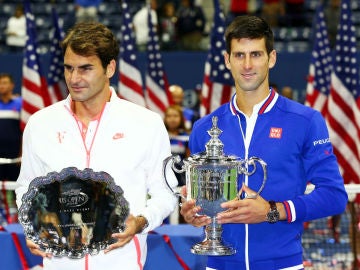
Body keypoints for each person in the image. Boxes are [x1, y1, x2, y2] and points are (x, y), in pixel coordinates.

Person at [179, 15, 348, 269]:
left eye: (256, 54)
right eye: (239, 55)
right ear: (227, 60)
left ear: (272, 58)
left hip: (282, 264)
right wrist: (193, 213)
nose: (247, 65)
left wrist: (272, 210)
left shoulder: (305, 121)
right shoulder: (205, 128)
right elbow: (197, 201)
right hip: (219, 263)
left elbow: (334, 196)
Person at [15, 22, 177, 270]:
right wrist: (32, 222)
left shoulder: (147, 124)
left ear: (109, 67)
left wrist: (140, 221)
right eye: (69, 68)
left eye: (85, 69)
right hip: (59, 264)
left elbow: (165, 193)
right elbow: (27, 187)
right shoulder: (39, 124)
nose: (74, 78)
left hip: (121, 263)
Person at [164, 104, 189, 224]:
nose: (172, 119)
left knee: (181, 213)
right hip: (163, 179)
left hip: (181, 180)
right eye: (169, 116)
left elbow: (190, 159)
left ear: (181, 118)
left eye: (175, 116)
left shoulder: (186, 137)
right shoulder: (161, 135)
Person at [0, 73, 22, 182]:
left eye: (4, 83)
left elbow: (25, 130)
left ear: (12, 85)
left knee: (15, 186)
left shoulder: (20, 103)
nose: (1, 86)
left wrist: (21, 153)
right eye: (0, 83)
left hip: (15, 153)